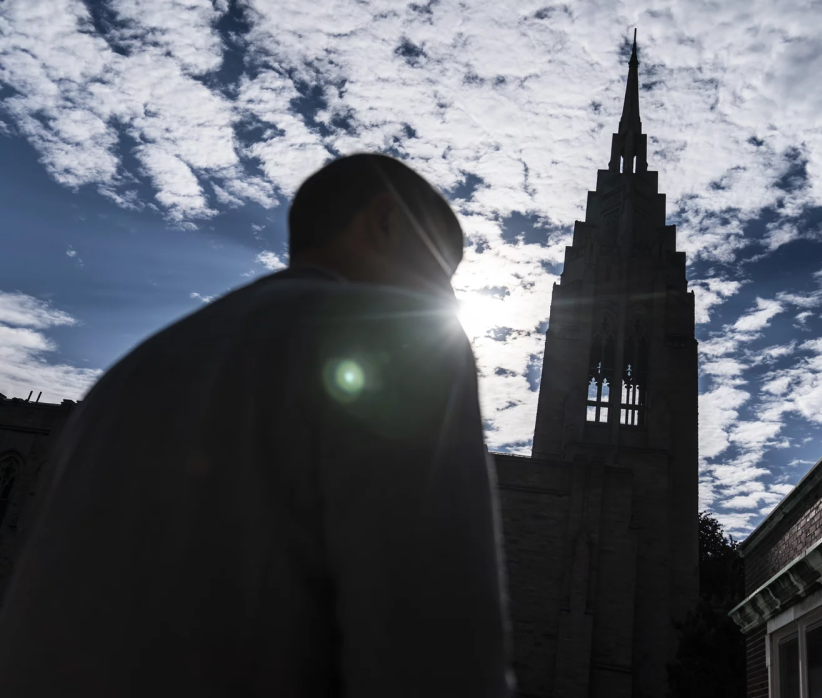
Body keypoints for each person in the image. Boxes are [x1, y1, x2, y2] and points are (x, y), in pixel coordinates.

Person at [0, 154, 514, 697]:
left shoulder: (124, 377)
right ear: (383, 222)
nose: (449, 300)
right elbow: (438, 658)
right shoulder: (400, 345)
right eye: (442, 266)